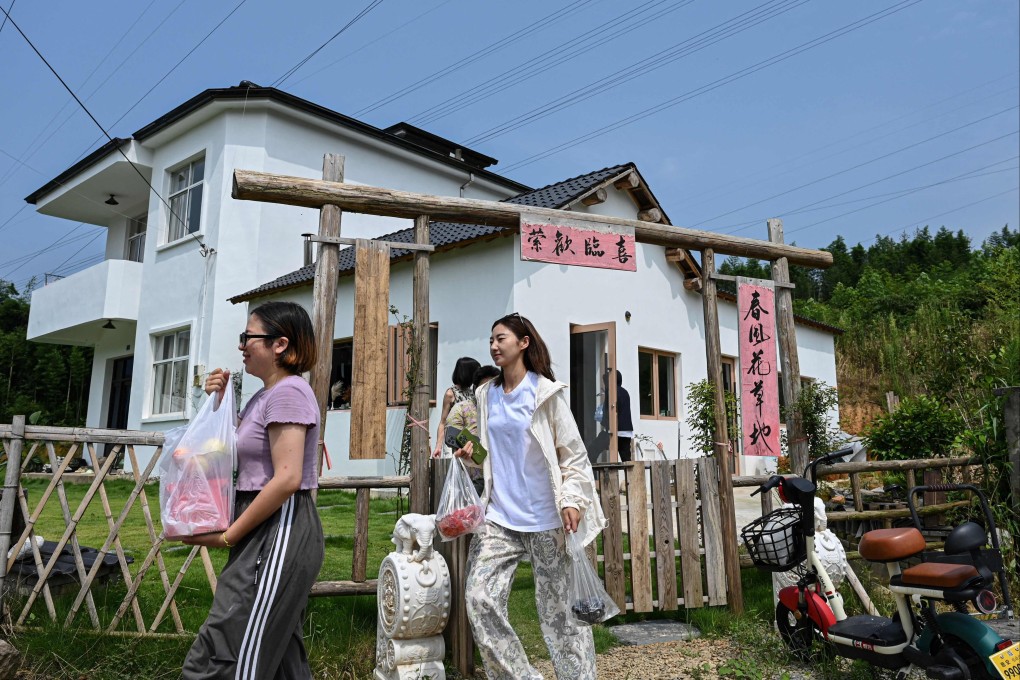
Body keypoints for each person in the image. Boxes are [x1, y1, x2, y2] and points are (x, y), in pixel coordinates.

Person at [454, 313, 607, 680]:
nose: (493, 346)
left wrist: (572, 499)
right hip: (500, 518)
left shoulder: (545, 394)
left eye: (501, 338)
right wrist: (471, 454)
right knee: (479, 597)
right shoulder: (485, 394)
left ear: (523, 343)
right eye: (491, 339)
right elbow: (491, 455)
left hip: (547, 520)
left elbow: (573, 455)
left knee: (561, 620)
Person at [182, 301, 324, 680]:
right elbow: (229, 452)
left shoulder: (289, 393)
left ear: (280, 344)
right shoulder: (264, 396)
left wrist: (230, 535)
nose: (242, 345)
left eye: (248, 337)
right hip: (264, 526)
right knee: (278, 654)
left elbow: (287, 478)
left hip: (280, 528)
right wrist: (218, 400)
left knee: (227, 648)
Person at [445, 364, 500, 494]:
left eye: (494, 387)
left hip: (500, 477)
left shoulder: (505, 411)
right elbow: (452, 438)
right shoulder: (460, 409)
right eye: (484, 387)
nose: (489, 392)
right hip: (470, 479)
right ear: (475, 388)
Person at [433, 356, 481, 458]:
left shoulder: (473, 392)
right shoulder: (451, 393)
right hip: (454, 441)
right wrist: (438, 446)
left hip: (469, 440)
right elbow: (443, 422)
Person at [589, 370, 635, 465]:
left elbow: (609, 411)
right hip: (626, 432)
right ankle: (631, 479)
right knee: (626, 459)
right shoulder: (625, 392)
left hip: (614, 431)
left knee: (592, 450)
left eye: (606, 380)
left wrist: (604, 423)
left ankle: (591, 475)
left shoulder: (611, 391)